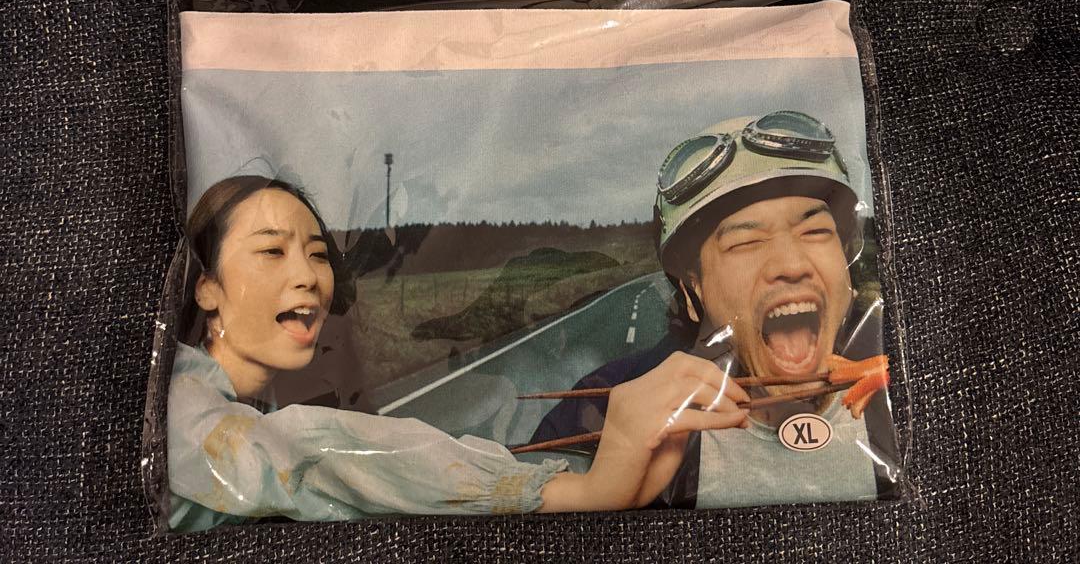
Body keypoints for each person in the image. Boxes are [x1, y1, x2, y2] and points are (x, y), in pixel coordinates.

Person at [166, 175, 746, 530]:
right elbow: (314, 452)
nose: (308, 276)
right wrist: (577, 491)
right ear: (206, 287)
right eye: (272, 252)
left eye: (318, 254)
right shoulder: (178, 413)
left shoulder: (230, 406)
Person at [529, 111, 900, 506]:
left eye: (815, 231)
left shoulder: (907, 376)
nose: (792, 265)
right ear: (694, 289)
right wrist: (591, 495)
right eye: (745, 242)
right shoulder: (603, 406)